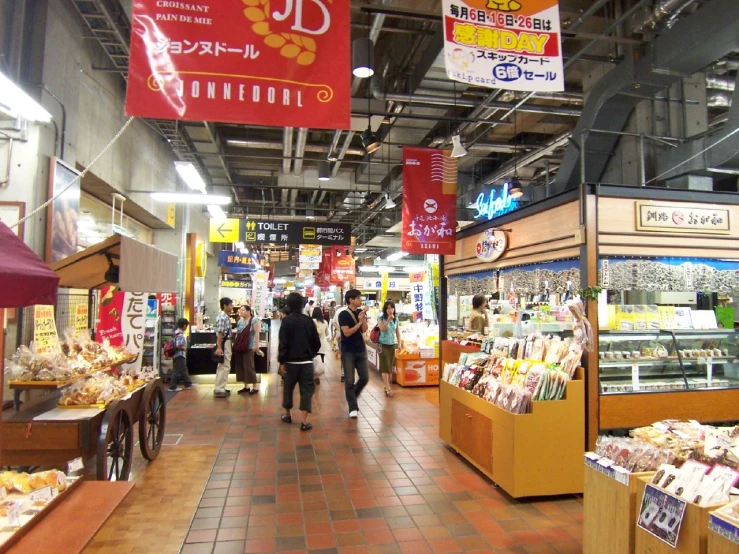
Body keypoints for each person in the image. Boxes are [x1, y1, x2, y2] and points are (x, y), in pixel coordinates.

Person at [278, 292, 321, 431]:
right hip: (307, 363)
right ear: (303, 305)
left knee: (288, 389)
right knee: (307, 391)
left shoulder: (286, 321)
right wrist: (310, 353)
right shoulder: (309, 321)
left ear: (288, 305)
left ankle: (288, 415)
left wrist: (282, 361)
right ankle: (304, 421)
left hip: (290, 363)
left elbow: (283, 343)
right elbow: (317, 342)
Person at [338, 289, 368, 419]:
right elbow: (347, 332)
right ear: (351, 300)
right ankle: (353, 407)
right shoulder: (343, 314)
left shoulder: (360, 313)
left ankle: (351, 396)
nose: (360, 300)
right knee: (349, 380)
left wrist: (363, 319)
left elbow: (364, 330)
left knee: (365, 377)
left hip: (360, 349)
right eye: (358, 298)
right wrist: (360, 322)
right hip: (348, 351)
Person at [235, 305, 262, 395]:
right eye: (240, 310)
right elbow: (238, 334)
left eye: (243, 310)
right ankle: (246, 386)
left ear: (248, 311)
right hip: (240, 347)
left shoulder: (254, 320)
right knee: (242, 366)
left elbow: (257, 333)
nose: (241, 312)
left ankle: (255, 387)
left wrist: (256, 346)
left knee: (249, 366)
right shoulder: (239, 321)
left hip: (249, 346)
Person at [377, 301, 402, 397]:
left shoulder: (396, 319)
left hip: (392, 345)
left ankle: (386, 385)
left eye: (392, 308)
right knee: (385, 366)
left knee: (390, 366)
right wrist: (388, 320)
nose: (390, 310)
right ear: (385, 309)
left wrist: (399, 343)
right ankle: (388, 387)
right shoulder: (381, 318)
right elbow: (382, 328)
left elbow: (397, 332)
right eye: (388, 308)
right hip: (382, 345)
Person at [214, 297, 234, 398]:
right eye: (230, 305)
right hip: (224, 343)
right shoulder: (222, 317)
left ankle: (219, 386)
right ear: (225, 306)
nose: (232, 306)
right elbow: (220, 333)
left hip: (225, 342)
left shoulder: (225, 316)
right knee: (225, 365)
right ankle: (220, 388)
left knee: (222, 365)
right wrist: (219, 347)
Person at [168, 317, 195, 391]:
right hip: (179, 355)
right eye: (186, 325)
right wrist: (184, 349)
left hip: (177, 355)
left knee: (183, 370)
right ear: (184, 326)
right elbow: (178, 345)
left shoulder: (176, 333)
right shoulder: (180, 335)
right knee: (177, 370)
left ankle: (188, 383)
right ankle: (172, 386)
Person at [312, 307, 331, 385]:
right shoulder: (325, 322)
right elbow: (327, 334)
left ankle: (314, 376)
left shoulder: (312, 321)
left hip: (314, 343)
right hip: (323, 344)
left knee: (313, 360)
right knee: (321, 360)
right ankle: (317, 375)